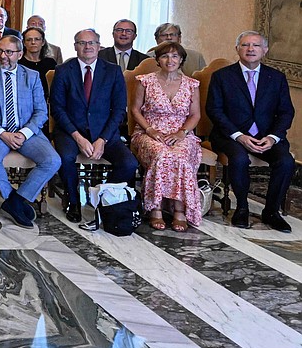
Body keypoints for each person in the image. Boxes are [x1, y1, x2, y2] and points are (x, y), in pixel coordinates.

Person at [207, 31, 295, 232]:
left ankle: (271, 211)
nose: (250, 49)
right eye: (245, 45)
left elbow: (286, 112)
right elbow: (215, 110)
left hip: (267, 136)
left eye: (256, 45)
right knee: (238, 159)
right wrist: (239, 136)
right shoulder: (222, 76)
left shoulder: (276, 78)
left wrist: (273, 138)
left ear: (265, 50)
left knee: (286, 162)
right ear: (237, 49)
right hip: (230, 135)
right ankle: (242, 209)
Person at [49, 29, 138, 223]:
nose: (87, 47)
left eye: (91, 43)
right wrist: (78, 137)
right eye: (82, 43)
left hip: (105, 132)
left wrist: (102, 139)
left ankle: (103, 197)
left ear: (99, 46)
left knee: (129, 164)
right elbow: (57, 108)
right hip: (71, 130)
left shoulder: (113, 71)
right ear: (75, 47)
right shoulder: (63, 70)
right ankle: (72, 200)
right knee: (65, 157)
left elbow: (118, 110)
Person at [0, 35, 60, 228]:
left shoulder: (32, 76)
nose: (3, 56)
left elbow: (41, 111)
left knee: (53, 160)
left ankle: (17, 200)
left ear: (20, 54)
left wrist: (24, 133)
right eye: (0, 51)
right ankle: (12, 198)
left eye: (9, 52)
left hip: (27, 131)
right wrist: (2, 133)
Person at [130, 42, 203, 231]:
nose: (170, 60)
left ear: (181, 60)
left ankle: (179, 210)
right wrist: (149, 130)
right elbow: (135, 110)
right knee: (162, 155)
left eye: (175, 57)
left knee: (180, 157)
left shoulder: (192, 84)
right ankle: (155, 208)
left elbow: (195, 115)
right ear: (157, 60)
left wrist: (182, 133)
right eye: (165, 56)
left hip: (182, 133)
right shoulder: (144, 81)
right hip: (149, 132)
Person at [20, 27, 57, 99]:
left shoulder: (50, 63)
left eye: (37, 39)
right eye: (29, 40)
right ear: (24, 43)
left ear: (43, 42)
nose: (33, 42)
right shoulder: (18, 63)